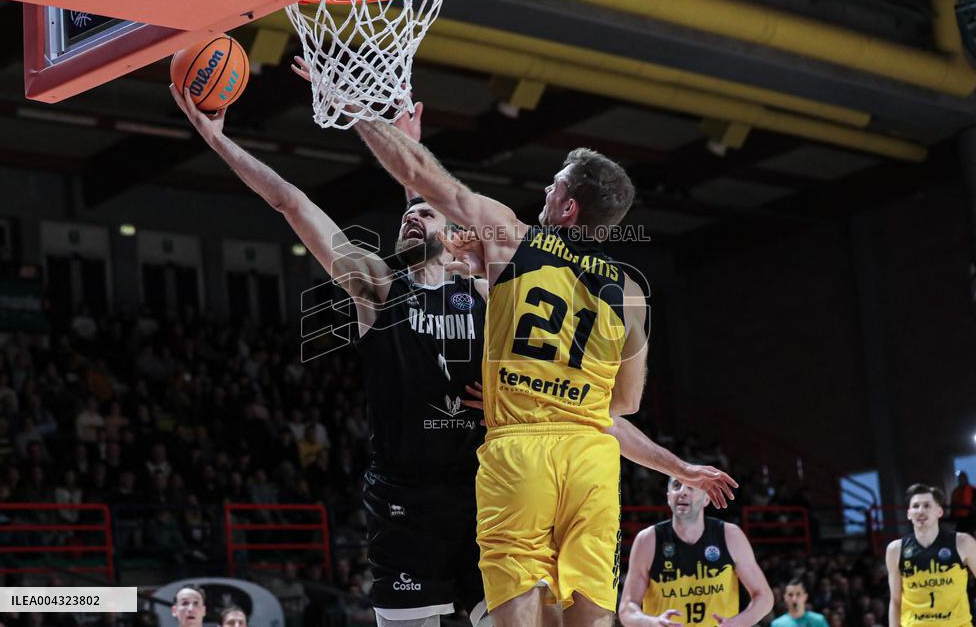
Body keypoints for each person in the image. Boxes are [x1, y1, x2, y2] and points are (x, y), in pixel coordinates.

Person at [350, 90, 738, 626]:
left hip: (521, 454)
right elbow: (622, 402)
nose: (546, 188)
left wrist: (357, 110)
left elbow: (425, 191)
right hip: (590, 462)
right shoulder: (629, 291)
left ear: (568, 206)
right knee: (587, 614)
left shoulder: (511, 239)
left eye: (555, 183)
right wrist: (674, 464)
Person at [171, 86, 489, 626]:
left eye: (427, 215)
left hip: (483, 492)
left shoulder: (483, 291)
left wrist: (413, 166)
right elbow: (290, 202)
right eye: (407, 215)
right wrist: (217, 140)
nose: (413, 218)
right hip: (403, 500)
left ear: (457, 235)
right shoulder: (377, 288)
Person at [619, 477, 772, 627]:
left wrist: (737, 623)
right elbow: (627, 609)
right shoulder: (647, 540)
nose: (683, 492)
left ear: (707, 498)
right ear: (669, 497)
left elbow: (764, 597)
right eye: (676, 485)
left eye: (691, 486)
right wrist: (652, 623)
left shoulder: (730, 535)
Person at [886, 483, 976, 626]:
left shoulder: (963, 542)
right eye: (915, 506)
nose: (920, 511)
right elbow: (896, 601)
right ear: (909, 514)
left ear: (939, 512)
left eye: (927, 506)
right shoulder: (895, 549)